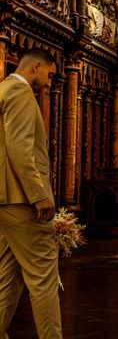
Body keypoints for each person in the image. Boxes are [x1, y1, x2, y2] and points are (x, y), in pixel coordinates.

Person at [0, 48, 61, 338]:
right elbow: (21, 149)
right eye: (49, 75)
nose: (49, 83)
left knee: (8, 280)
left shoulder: (3, 89)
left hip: (4, 200)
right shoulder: (21, 92)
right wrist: (39, 194)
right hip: (22, 201)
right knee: (44, 277)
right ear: (36, 66)